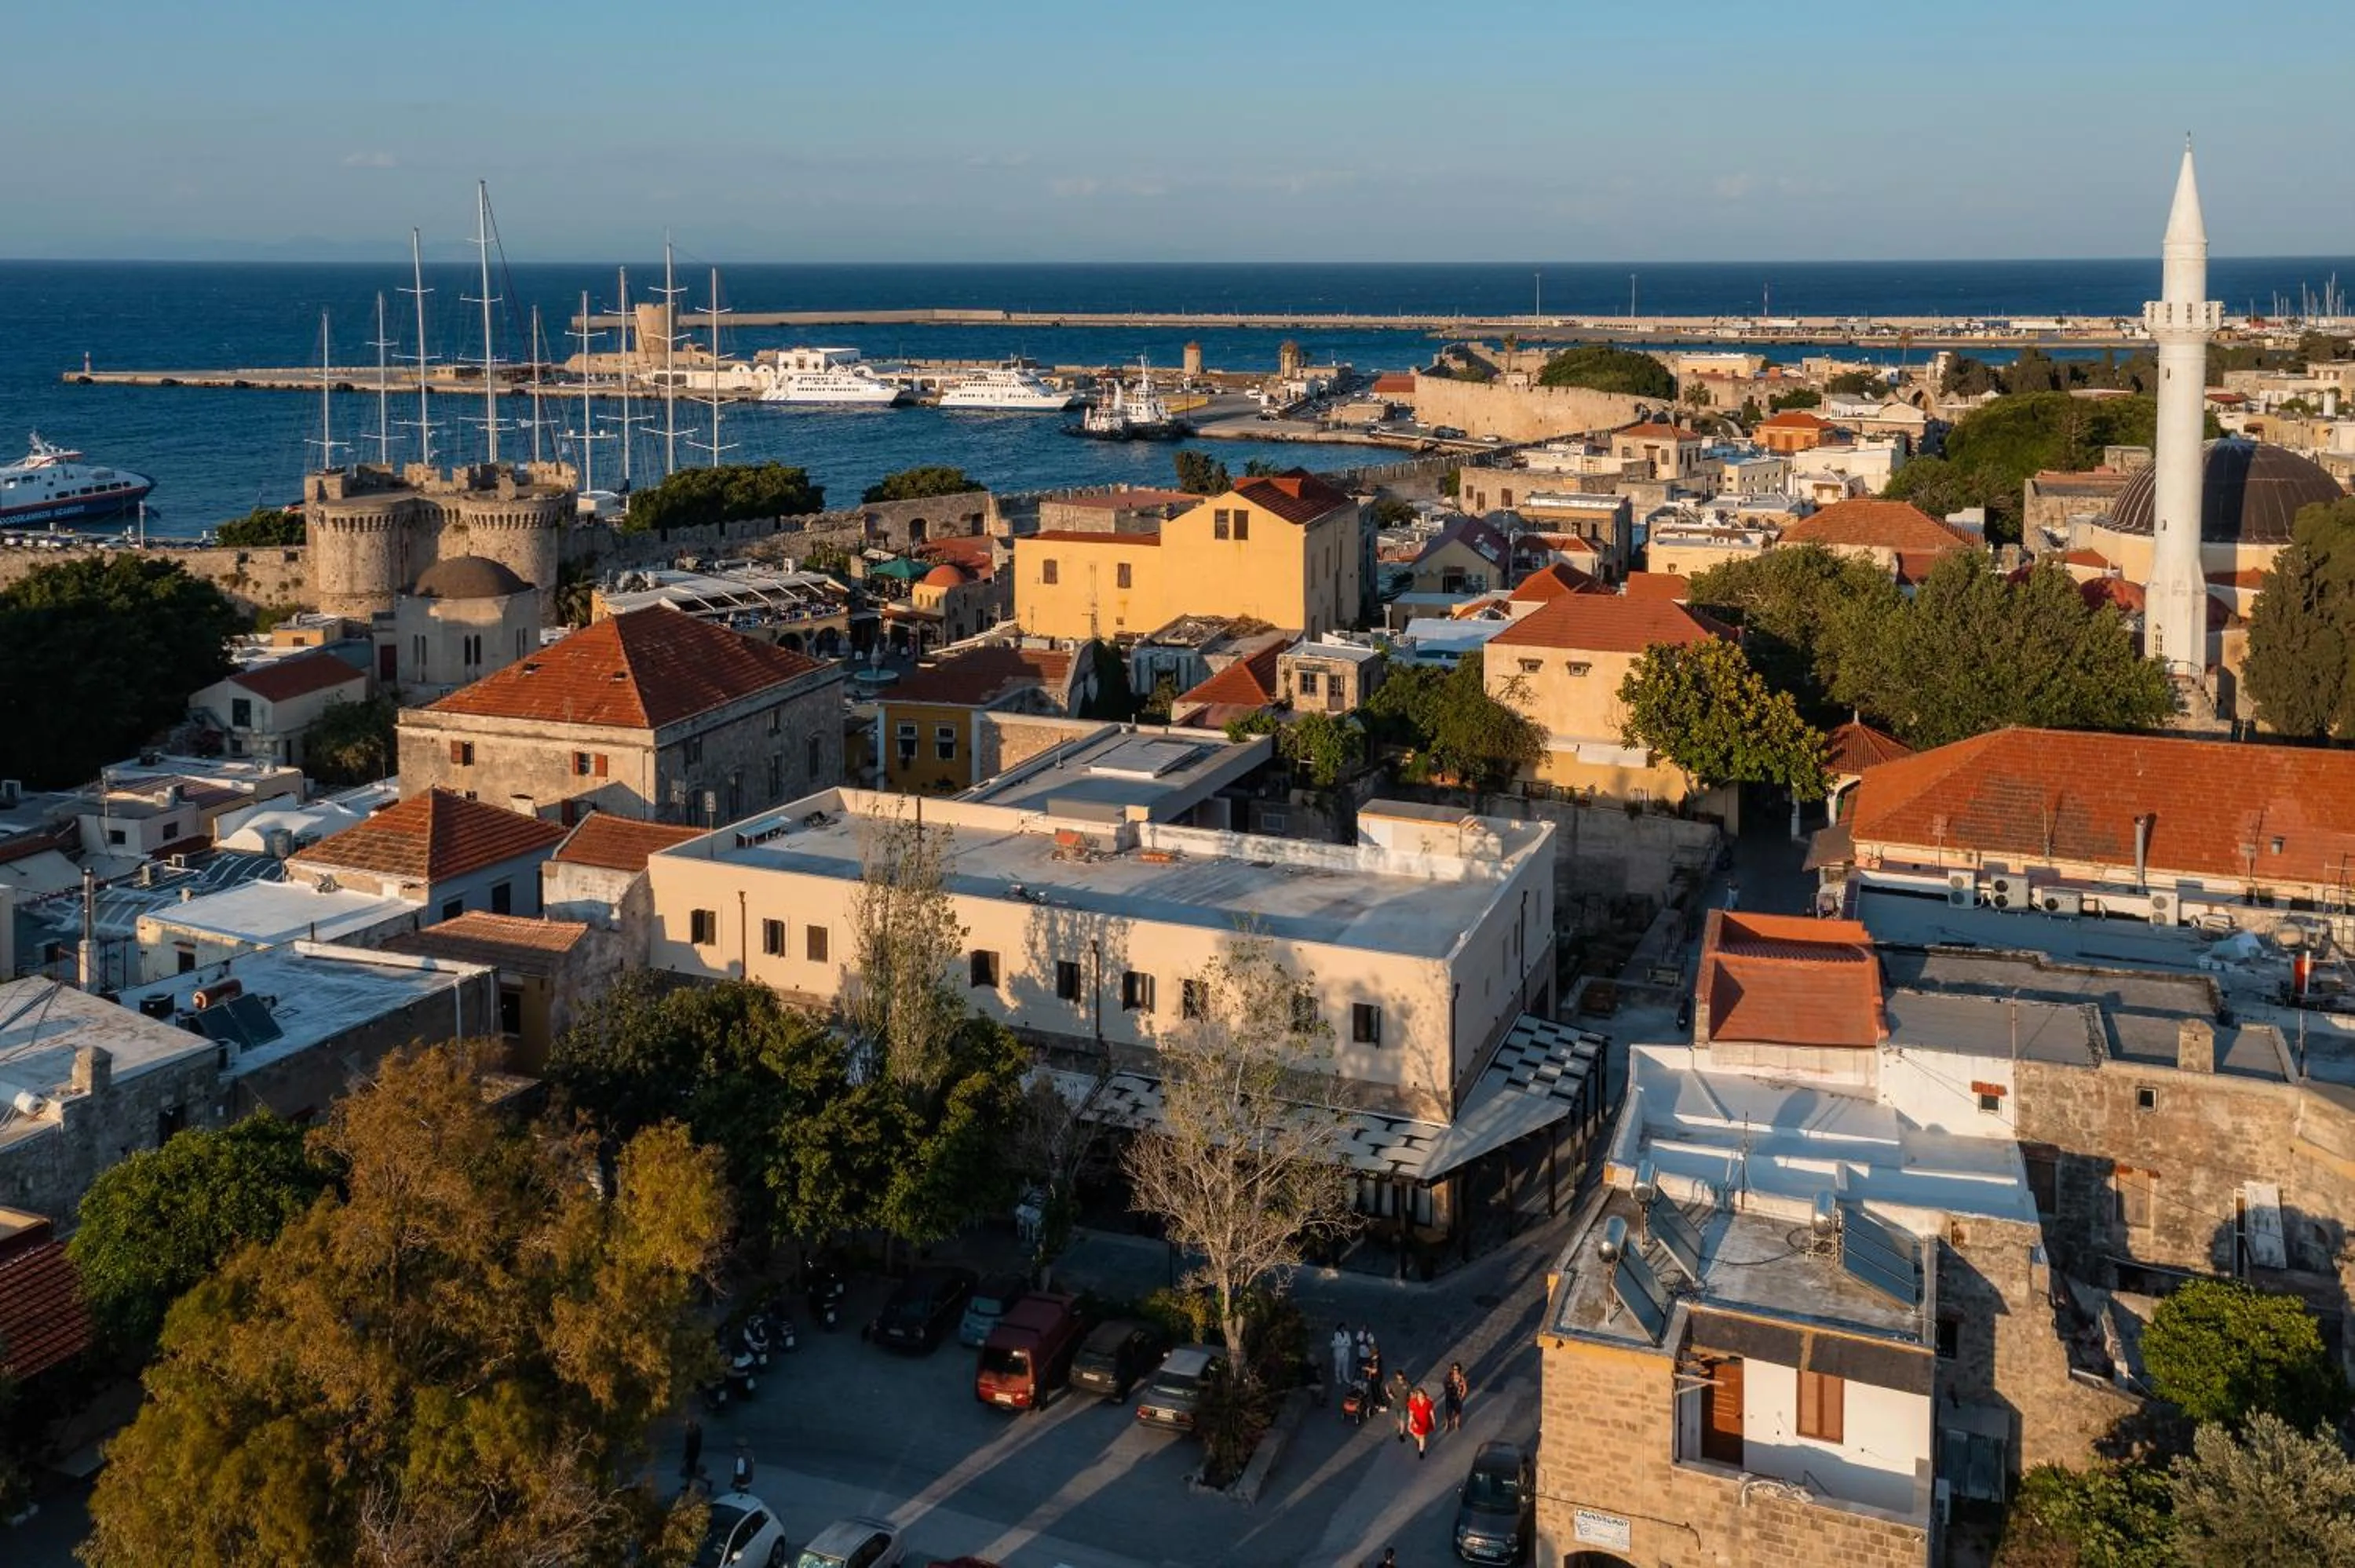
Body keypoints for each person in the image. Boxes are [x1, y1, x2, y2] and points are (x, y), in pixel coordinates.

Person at [1408, 1384, 1436, 1458]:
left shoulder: (1428, 1402)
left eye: (1422, 1394)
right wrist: (1409, 1424)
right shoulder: (1413, 1402)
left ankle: (1421, 1452)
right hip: (1415, 1423)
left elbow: (1431, 1412)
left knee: (1422, 1438)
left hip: (1425, 1423)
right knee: (1416, 1437)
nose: (1420, 1396)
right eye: (1419, 1395)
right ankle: (1418, 1442)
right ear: (1416, 1395)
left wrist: (1433, 1420)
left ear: (1424, 1394)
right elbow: (1411, 1414)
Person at [1331, 1322, 1354, 1406]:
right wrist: (1342, 1345)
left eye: (1344, 1328)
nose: (1343, 1329)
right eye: (1342, 1328)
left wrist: (1342, 1345)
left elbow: (1350, 1343)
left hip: (1346, 1353)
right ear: (1339, 1328)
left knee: (1345, 1366)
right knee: (1338, 1367)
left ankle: (1345, 1377)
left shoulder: (1347, 1334)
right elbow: (1333, 1344)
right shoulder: (1335, 1335)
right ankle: (1338, 1378)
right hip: (1338, 1353)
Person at [1388, 1368, 1412, 1440]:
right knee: (1398, 1417)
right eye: (1398, 1376)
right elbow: (1388, 1388)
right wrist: (1389, 1394)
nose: (1400, 1377)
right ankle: (1400, 1427)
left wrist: (1411, 1402)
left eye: (1401, 1376)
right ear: (1396, 1376)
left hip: (1404, 1405)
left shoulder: (1407, 1384)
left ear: (1403, 1375)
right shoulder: (1393, 1383)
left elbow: (1411, 1393)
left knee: (1403, 1419)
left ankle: (1401, 1434)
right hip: (1396, 1404)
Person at [680, 1416, 704, 1489]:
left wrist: (686, 1455)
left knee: (691, 1471)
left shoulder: (692, 1433)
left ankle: (708, 1482)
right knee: (690, 1470)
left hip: (692, 1454)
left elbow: (690, 1445)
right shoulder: (696, 1432)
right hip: (694, 1453)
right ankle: (688, 1484)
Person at [1444, 1362, 1468, 1433]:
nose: (1455, 1371)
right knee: (1448, 1413)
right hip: (1450, 1397)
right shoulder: (1449, 1377)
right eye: (1454, 1369)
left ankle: (1457, 1424)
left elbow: (1465, 1388)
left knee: (1457, 1412)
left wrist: (1462, 1396)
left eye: (1457, 1369)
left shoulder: (1461, 1377)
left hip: (1458, 1397)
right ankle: (1447, 1425)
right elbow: (1445, 1384)